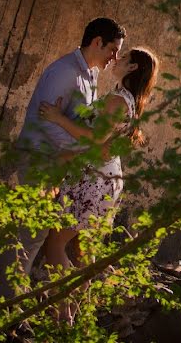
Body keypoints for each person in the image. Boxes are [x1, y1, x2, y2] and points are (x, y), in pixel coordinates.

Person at [0, 17, 125, 299]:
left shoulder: (91, 75)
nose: (114, 57)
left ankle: (7, 293)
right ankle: (5, 298)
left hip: (58, 160)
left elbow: (79, 122)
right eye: (112, 49)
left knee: (35, 228)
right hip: (39, 156)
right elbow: (46, 123)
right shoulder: (65, 72)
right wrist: (79, 151)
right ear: (97, 42)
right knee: (33, 227)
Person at [39, 47, 158, 272]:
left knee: (54, 244)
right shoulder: (129, 100)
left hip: (93, 179)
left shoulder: (117, 100)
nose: (116, 59)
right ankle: (75, 307)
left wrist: (58, 118)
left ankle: (64, 305)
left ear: (132, 67)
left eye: (123, 58)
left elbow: (96, 138)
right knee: (83, 247)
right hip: (104, 177)